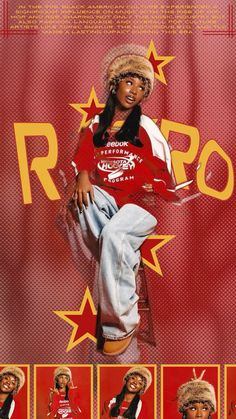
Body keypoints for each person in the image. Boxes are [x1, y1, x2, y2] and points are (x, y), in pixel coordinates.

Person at [72, 49, 181, 356]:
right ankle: (122, 262)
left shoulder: (146, 127)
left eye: (143, 87)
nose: (135, 92)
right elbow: (83, 156)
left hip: (140, 205)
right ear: (115, 84)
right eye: (130, 83)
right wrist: (82, 175)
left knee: (115, 236)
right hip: (110, 199)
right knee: (84, 204)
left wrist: (154, 185)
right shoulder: (96, 125)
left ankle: (119, 323)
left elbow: (167, 174)